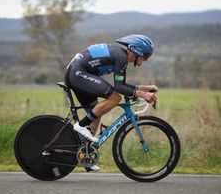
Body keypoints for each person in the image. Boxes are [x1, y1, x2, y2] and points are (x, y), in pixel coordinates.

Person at [64, 34, 158, 171]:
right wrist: (143, 94)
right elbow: (119, 88)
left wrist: (143, 89)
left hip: (78, 73)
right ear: (138, 51)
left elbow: (122, 84)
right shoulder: (122, 57)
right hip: (78, 73)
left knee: (97, 112)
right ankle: (81, 125)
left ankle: (86, 156)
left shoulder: (121, 56)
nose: (145, 60)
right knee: (115, 98)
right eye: (146, 56)